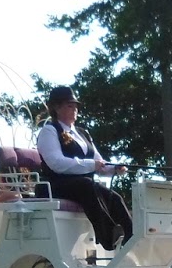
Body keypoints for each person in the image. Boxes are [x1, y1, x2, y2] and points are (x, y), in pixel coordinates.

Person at [34, 85, 133, 251]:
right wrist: (90, 165)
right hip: (56, 185)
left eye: (75, 106)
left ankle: (131, 236)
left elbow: (99, 162)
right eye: (69, 105)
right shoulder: (49, 131)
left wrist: (114, 168)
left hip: (83, 186)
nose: (74, 109)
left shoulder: (82, 133)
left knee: (114, 198)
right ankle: (108, 236)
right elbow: (57, 163)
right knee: (87, 185)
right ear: (56, 108)